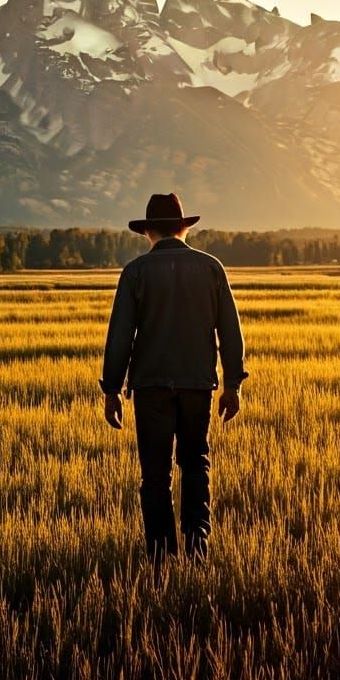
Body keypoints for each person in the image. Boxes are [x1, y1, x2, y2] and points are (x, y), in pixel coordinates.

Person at [99, 193, 247, 563]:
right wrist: (232, 385)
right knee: (195, 463)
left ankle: (161, 557)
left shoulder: (134, 272)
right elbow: (230, 331)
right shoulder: (211, 268)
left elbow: (120, 336)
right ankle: (198, 545)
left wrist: (112, 389)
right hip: (198, 385)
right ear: (183, 227)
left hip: (150, 388)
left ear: (147, 231)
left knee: (155, 475)